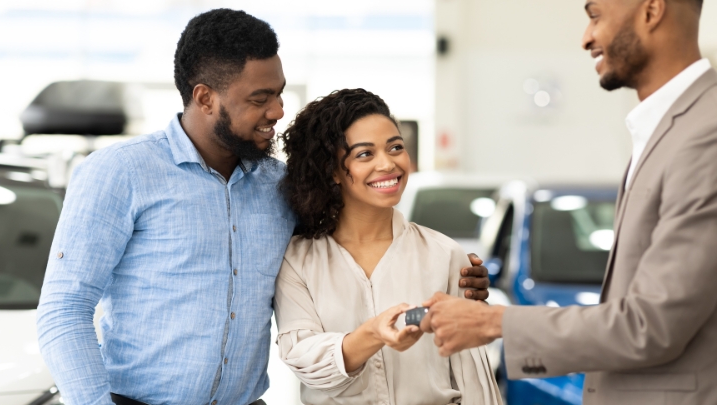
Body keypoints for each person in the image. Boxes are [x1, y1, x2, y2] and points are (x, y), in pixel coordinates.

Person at [36, 9, 490, 405]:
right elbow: (64, 310)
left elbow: (354, 244)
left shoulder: (280, 186)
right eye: (260, 98)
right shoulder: (121, 172)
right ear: (205, 97)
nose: (277, 110)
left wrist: (455, 274)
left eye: (279, 93)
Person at [422, 0, 717, 403]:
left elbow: (653, 324)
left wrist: (494, 322)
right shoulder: (667, 131)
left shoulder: (706, 135)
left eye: (595, 15)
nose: (586, 38)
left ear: (651, 10)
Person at [273, 88, 502, 405]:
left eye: (395, 147)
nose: (388, 164)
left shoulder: (446, 255)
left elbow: (474, 378)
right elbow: (303, 358)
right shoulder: (298, 260)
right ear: (333, 171)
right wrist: (374, 334)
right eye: (365, 154)